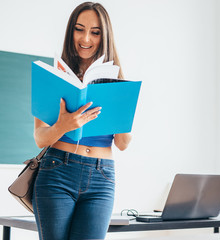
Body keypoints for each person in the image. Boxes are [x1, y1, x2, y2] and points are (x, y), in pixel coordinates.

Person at [32, 2, 131, 240]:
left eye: (95, 32)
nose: (86, 38)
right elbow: (39, 138)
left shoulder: (117, 79)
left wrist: (120, 109)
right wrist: (63, 126)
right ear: (71, 31)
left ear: (104, 36)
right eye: (79, 29)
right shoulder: (54, 76)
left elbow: (123, 143)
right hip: (57, 171)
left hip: (102, 177)